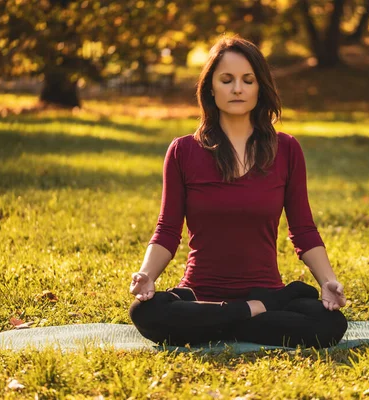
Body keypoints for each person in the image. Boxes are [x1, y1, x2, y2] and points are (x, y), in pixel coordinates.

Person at [128, 35, 348, 349]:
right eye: (227, 79)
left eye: (248, 80)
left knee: (329, 323)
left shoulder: (286, 149)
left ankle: (220, 324)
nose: (237, 89)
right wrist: (147, 274)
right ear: (210, 87)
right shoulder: (183, 151)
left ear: (260, 87)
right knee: (146, 313)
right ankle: (254, 315)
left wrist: (327, 281)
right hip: (199, 296)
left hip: (264, 291)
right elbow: (167, 230)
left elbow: (303, 230)